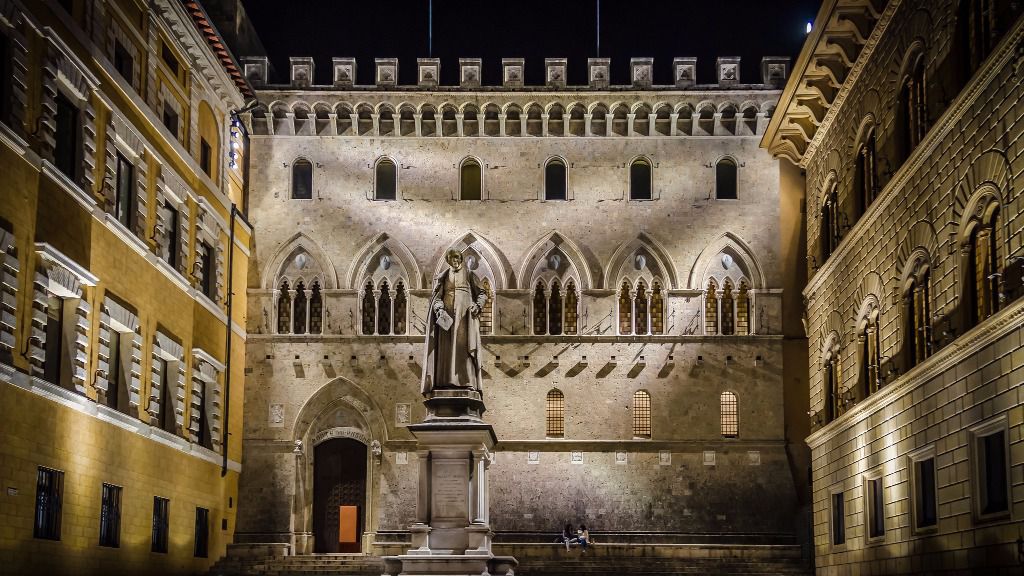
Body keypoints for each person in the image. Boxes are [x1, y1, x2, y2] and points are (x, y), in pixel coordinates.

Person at [421, 250, 487, 395]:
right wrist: (439, 309)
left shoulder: (469, 274)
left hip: (465, 318)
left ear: (461, 258)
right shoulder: (443, 277)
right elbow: (437, 297)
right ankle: (444, 382)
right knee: (446, 350)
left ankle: (467, 382)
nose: (455, 261)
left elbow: (482, 293)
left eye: (457, 258)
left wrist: (478, 305)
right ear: (448, 261)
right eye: (451, 259)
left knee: (463, 349)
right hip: (447, 321)